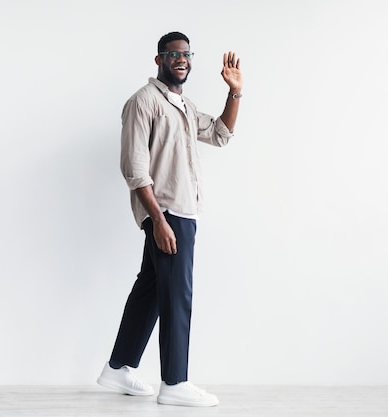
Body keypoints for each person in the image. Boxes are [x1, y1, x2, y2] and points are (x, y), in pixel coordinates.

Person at [97, 31, 242, 407]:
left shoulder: (185, 106)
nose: (182, 59)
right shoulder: (142, 103)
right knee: (178, 296)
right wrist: (158, 220)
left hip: (183, 211)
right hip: (167, 213)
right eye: (173, 54)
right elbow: (134, 167)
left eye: (186, 54)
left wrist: (234, 93)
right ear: (159, 59)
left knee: (151, 291)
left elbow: (221, 134)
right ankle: (175, 383)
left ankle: (118, 368)